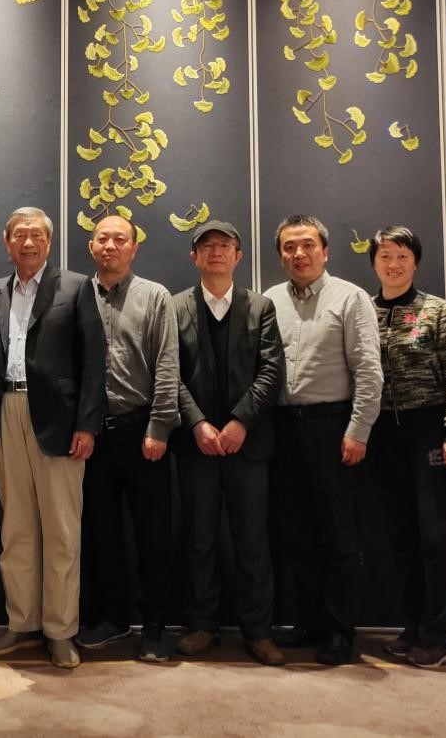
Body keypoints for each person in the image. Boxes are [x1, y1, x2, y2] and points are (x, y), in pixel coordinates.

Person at [0, 208, 105, 670]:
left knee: (62, 531)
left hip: (59, 421)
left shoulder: (75, 287)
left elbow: (94, 360)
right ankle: (21, 621)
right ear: (7, 241)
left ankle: (60, 630)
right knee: (16, 529)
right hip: (5, 415)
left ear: (49, 243)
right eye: (19, 235)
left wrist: (87, 424)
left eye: (35, 235)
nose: (27, 242)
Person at [266, 213, 382, 666]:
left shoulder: (350, 298)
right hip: (283, 429)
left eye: (308, 245)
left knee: (339, 535)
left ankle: (338, 631)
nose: (299, 254)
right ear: (281, 255)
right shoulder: (270, 300)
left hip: (333, 427)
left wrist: (358, 430)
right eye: (289, 247)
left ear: (325, 250)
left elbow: (369, 371)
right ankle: (309, 622)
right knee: (294, 532)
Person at [171, 221, 286, 666]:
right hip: (195, 445)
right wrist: (198, 423)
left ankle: (259, 632)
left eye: (224, 245)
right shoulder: (175, 307)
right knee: (199, 539)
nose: (216, 251)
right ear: (194, 257)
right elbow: (169, 373)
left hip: (248, 446)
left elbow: (272, 371)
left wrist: (240, 422)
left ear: (238, 256)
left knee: (253, 542)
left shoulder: (261, 307)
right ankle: (201, 625)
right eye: (207, 246)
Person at [367, 226, 446, 669]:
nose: (393, 264)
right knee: (401, 537)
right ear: (374, 262)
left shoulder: (435, 310)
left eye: (402, 256)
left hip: (430, 431)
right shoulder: (364, 310)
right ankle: (412, 627)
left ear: (415, 262)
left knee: (435, 536)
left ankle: (437, 635)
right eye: (385, 256)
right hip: (383, 436)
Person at [77, 214, 179, 662]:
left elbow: (167, 365)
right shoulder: (77, 295)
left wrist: (159, 427)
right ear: (91, 246)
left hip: (142, 431)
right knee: (101, 533)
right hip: (92, 435)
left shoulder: (155, 296)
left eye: (120, 239)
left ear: (134, 247)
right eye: (103, 238)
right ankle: (111, 618)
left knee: (153, 534)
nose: (111, 245)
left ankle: (154, 626)